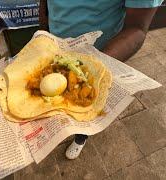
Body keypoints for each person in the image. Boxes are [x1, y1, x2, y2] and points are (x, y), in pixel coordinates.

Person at [39, 0, 163, 159]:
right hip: (54, 43)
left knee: (84, 109)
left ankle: (80, 137)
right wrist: (43, 30)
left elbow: (136, 28)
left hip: (100, 55)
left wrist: (91, 70)